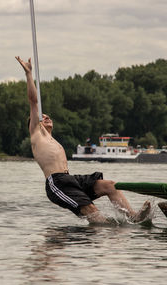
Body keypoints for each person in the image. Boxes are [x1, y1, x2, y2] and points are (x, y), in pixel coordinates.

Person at [15, 56, 151, 224]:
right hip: (57, 184)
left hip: (71, 179)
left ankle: (133, 217)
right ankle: (104, 233)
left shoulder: (53, 140)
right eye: (42, 117)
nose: (47, 117)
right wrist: (29, 74)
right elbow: (33, 101)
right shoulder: (36, 134)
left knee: (110, 185)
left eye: (48, 116)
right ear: (35, 123)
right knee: (94, 214)